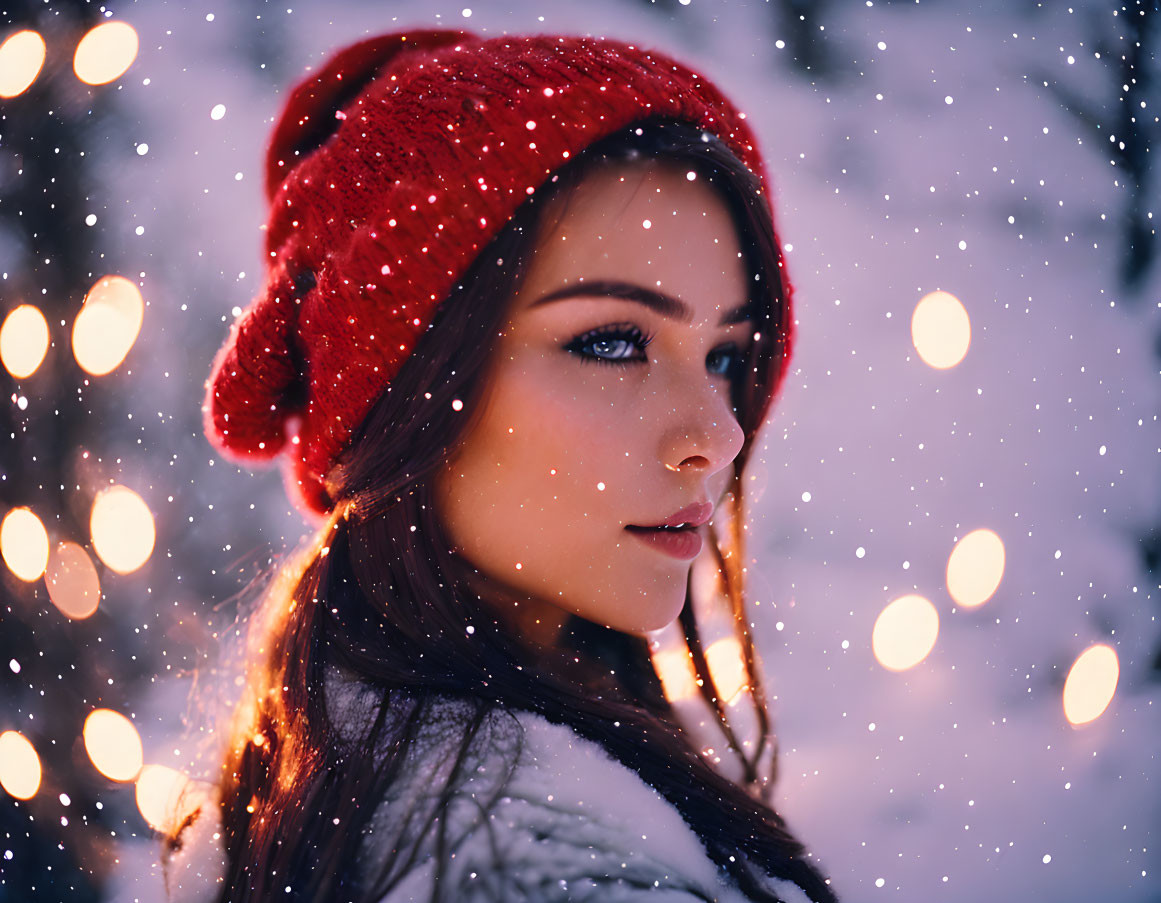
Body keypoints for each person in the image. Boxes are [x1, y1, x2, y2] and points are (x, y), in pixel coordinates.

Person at [163, 29, 839, 903]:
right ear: (409, 388)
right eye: (612, 342)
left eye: (723, 355)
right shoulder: (534, 869)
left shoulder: (325, 773)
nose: (716, 433)